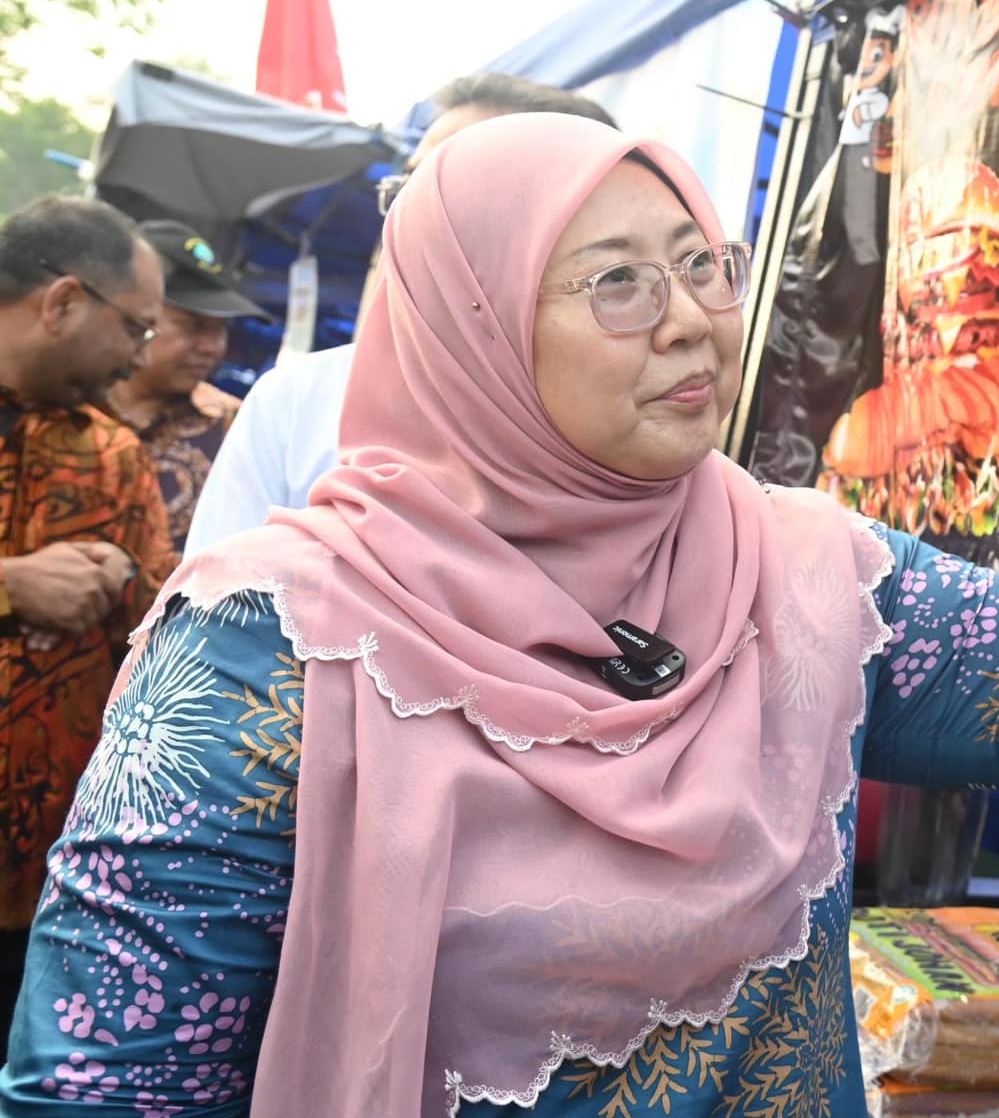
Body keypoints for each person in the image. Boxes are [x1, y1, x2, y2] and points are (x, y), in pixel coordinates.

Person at [0, 112, 999, 1118]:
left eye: (702, 264)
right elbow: (105, 1111)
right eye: (616, 278)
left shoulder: (800, 570)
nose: (692, 320)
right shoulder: (275, 645)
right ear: (475, 328)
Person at [182, 73, 617, 553]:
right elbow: (210, 606)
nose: (413, 214)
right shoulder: (300, 399)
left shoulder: (624, 409)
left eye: (453, 188)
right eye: (407, 185)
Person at [0, 197, 175, 1034]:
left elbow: (153, 645)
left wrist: (138, 589)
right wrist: (11, 584)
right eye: (135, 328)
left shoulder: (111, 452)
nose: (137, 356)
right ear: (64, 301)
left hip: (51, 886)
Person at [105, 222, 271, 554]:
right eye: (192, 325)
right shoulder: (59, 402)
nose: (212, 348)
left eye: (221, 329)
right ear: (138, 313)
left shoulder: (235, 426)